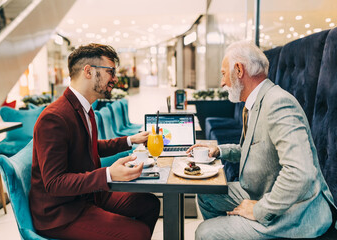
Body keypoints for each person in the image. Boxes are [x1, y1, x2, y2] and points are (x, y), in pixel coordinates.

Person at [187, 40, 335, 239]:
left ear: (239, 70)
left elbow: (301, 172)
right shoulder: (254, 103)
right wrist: (219, 151)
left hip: (297, 212)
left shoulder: (278, 103)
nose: (222, 83)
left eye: (223, 74)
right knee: (207, 194)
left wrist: (258, 210)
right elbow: (253, 149)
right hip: (263, 190)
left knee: (205, 232)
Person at [29, 43, 160, 240]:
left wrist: (129, 140)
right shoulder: (54, 117)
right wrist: (108, 174)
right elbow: (55, 183)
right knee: (137, 233)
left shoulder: (85, 108)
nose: (115, 79)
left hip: (87, 196)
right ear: (88, 71)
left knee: (149, 204)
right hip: (62, 212)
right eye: (110, 72)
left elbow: (88, 147)